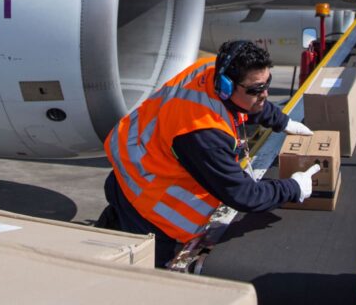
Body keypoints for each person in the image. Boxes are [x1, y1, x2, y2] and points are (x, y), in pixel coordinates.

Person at [101, 40, 317, 267]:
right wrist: (293, 188)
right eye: (255, 89)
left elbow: (246, 104)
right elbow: (245, 195)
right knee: (134, 275)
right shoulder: (203, 134)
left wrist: (281, 121)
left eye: (267, 83)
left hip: (131, 172)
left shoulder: (209, 70)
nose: (265, 94)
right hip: (150, 214)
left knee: (103, 242)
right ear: (226, 87)